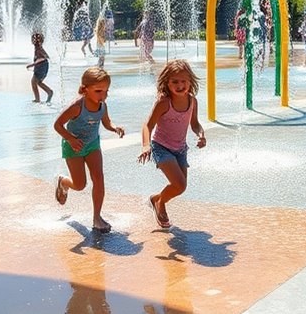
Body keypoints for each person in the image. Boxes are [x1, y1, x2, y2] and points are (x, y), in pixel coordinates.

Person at [53, 67, 125, 233]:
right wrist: (70, 139)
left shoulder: (102, 106)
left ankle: (97, 217)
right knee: (80, 185)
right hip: (73, 148)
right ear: (85, 89)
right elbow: (57, 125)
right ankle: (63, 182)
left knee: (98, 178)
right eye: (98, 91)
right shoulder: (77, 106)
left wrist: (115, 128)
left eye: (106, 91)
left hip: (92, 145)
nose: (103, 95)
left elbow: (106, 123)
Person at [138, 59, 206, 229]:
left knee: (181, 187)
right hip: (161, 147)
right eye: (175, 81)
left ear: (190, 81)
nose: (180, 85)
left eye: (183, 81)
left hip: (180, 149)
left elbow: (195, 123)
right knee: (179, 184)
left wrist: (201, 134)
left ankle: (156, 199)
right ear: (167, 83)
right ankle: (160, 204)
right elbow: (148, 125)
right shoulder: (163, 103)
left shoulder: (192, 101)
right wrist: (146, 146)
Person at [27, 31, 54, 103]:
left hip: (41, 66)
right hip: (43, 66)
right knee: (38, 82)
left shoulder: (38, 48)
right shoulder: (39, 48)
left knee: (34, 82)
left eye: (34, 39)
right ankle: (49, 91)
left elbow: (43, 58)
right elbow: (46, 57)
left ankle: (37, 99)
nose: (33, 40)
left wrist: (33, 64)